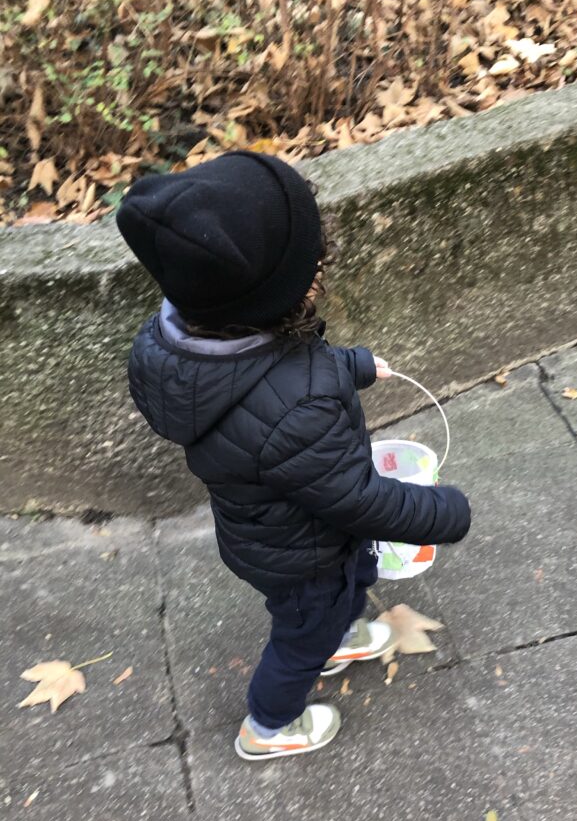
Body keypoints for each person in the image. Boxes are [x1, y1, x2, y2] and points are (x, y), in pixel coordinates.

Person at [117, 151, 471, 760]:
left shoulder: (188, 336)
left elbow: (275, 371)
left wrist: (354, 365)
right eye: (312, 266)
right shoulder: (299, 408)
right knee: (301, 636)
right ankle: (269, 724)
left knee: (355, 573)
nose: (319, 273)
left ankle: (340, 634)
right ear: (281, 295)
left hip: (273, 526)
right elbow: (358, 500)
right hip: (301, 553)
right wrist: (446, 512)